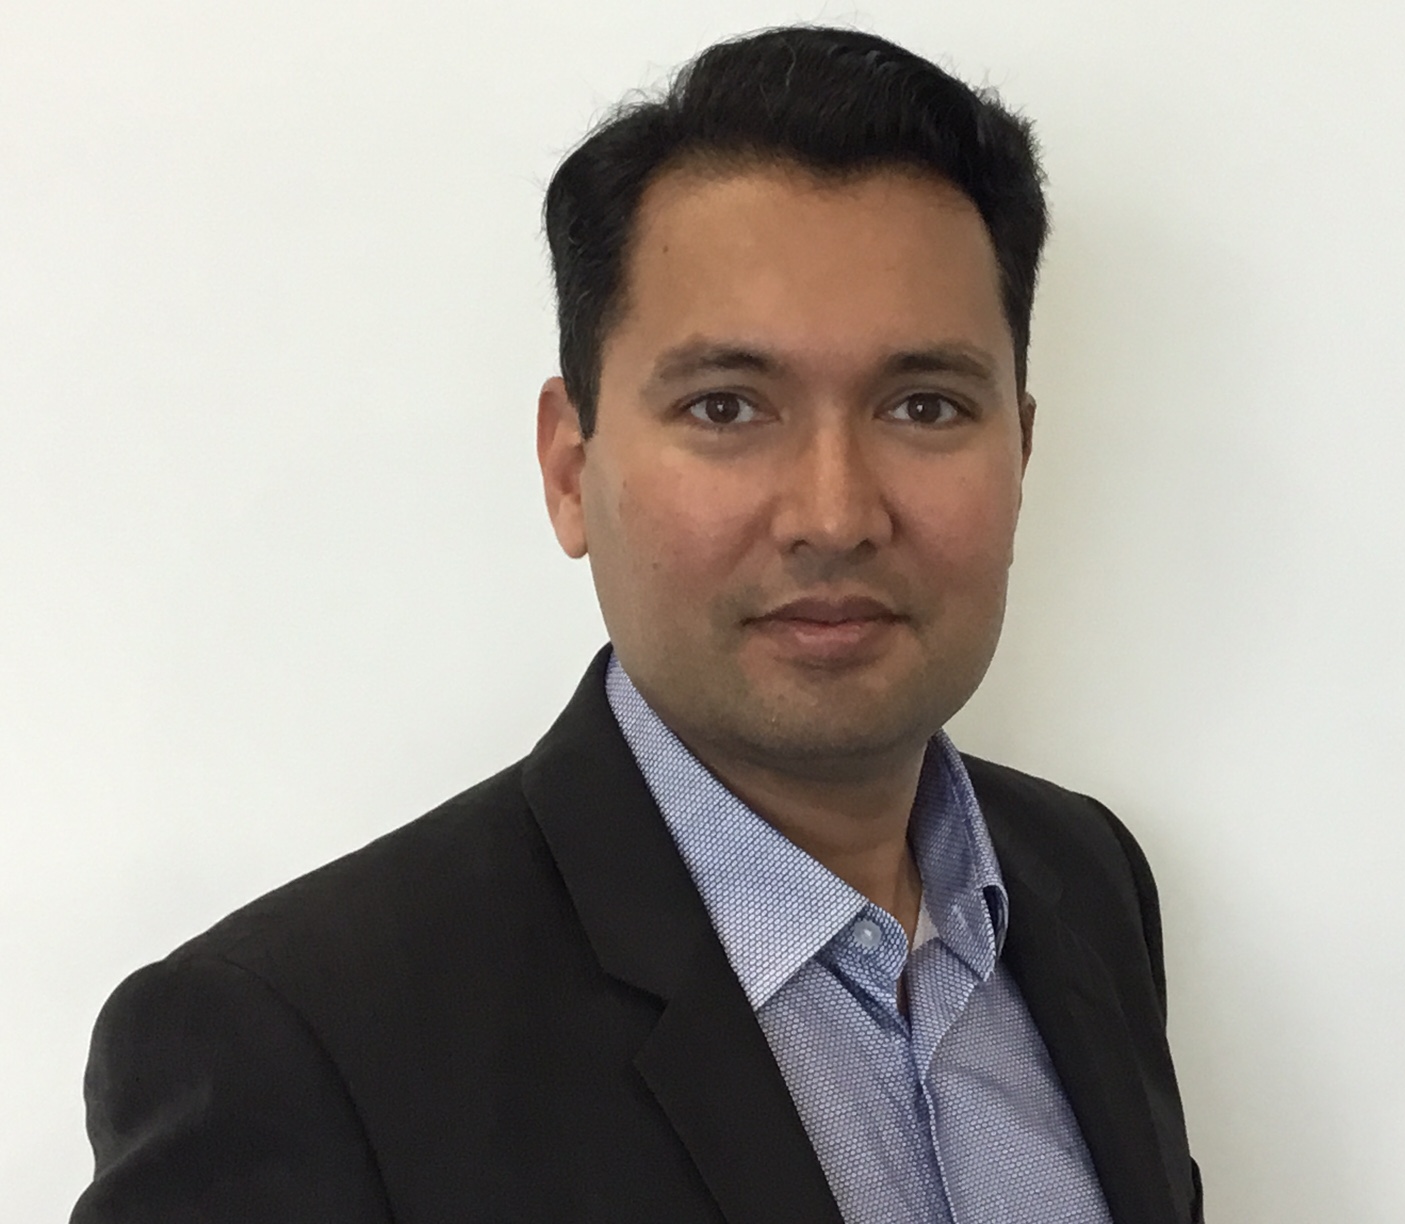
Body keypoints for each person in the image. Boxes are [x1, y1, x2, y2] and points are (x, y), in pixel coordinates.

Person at [73, 25, 1202, 1224]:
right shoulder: (292, 1047)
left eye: (924, 406)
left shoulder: (1082, 882)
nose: (834, 516)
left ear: (1019, 449)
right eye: (727, 408)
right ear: (571, 467)